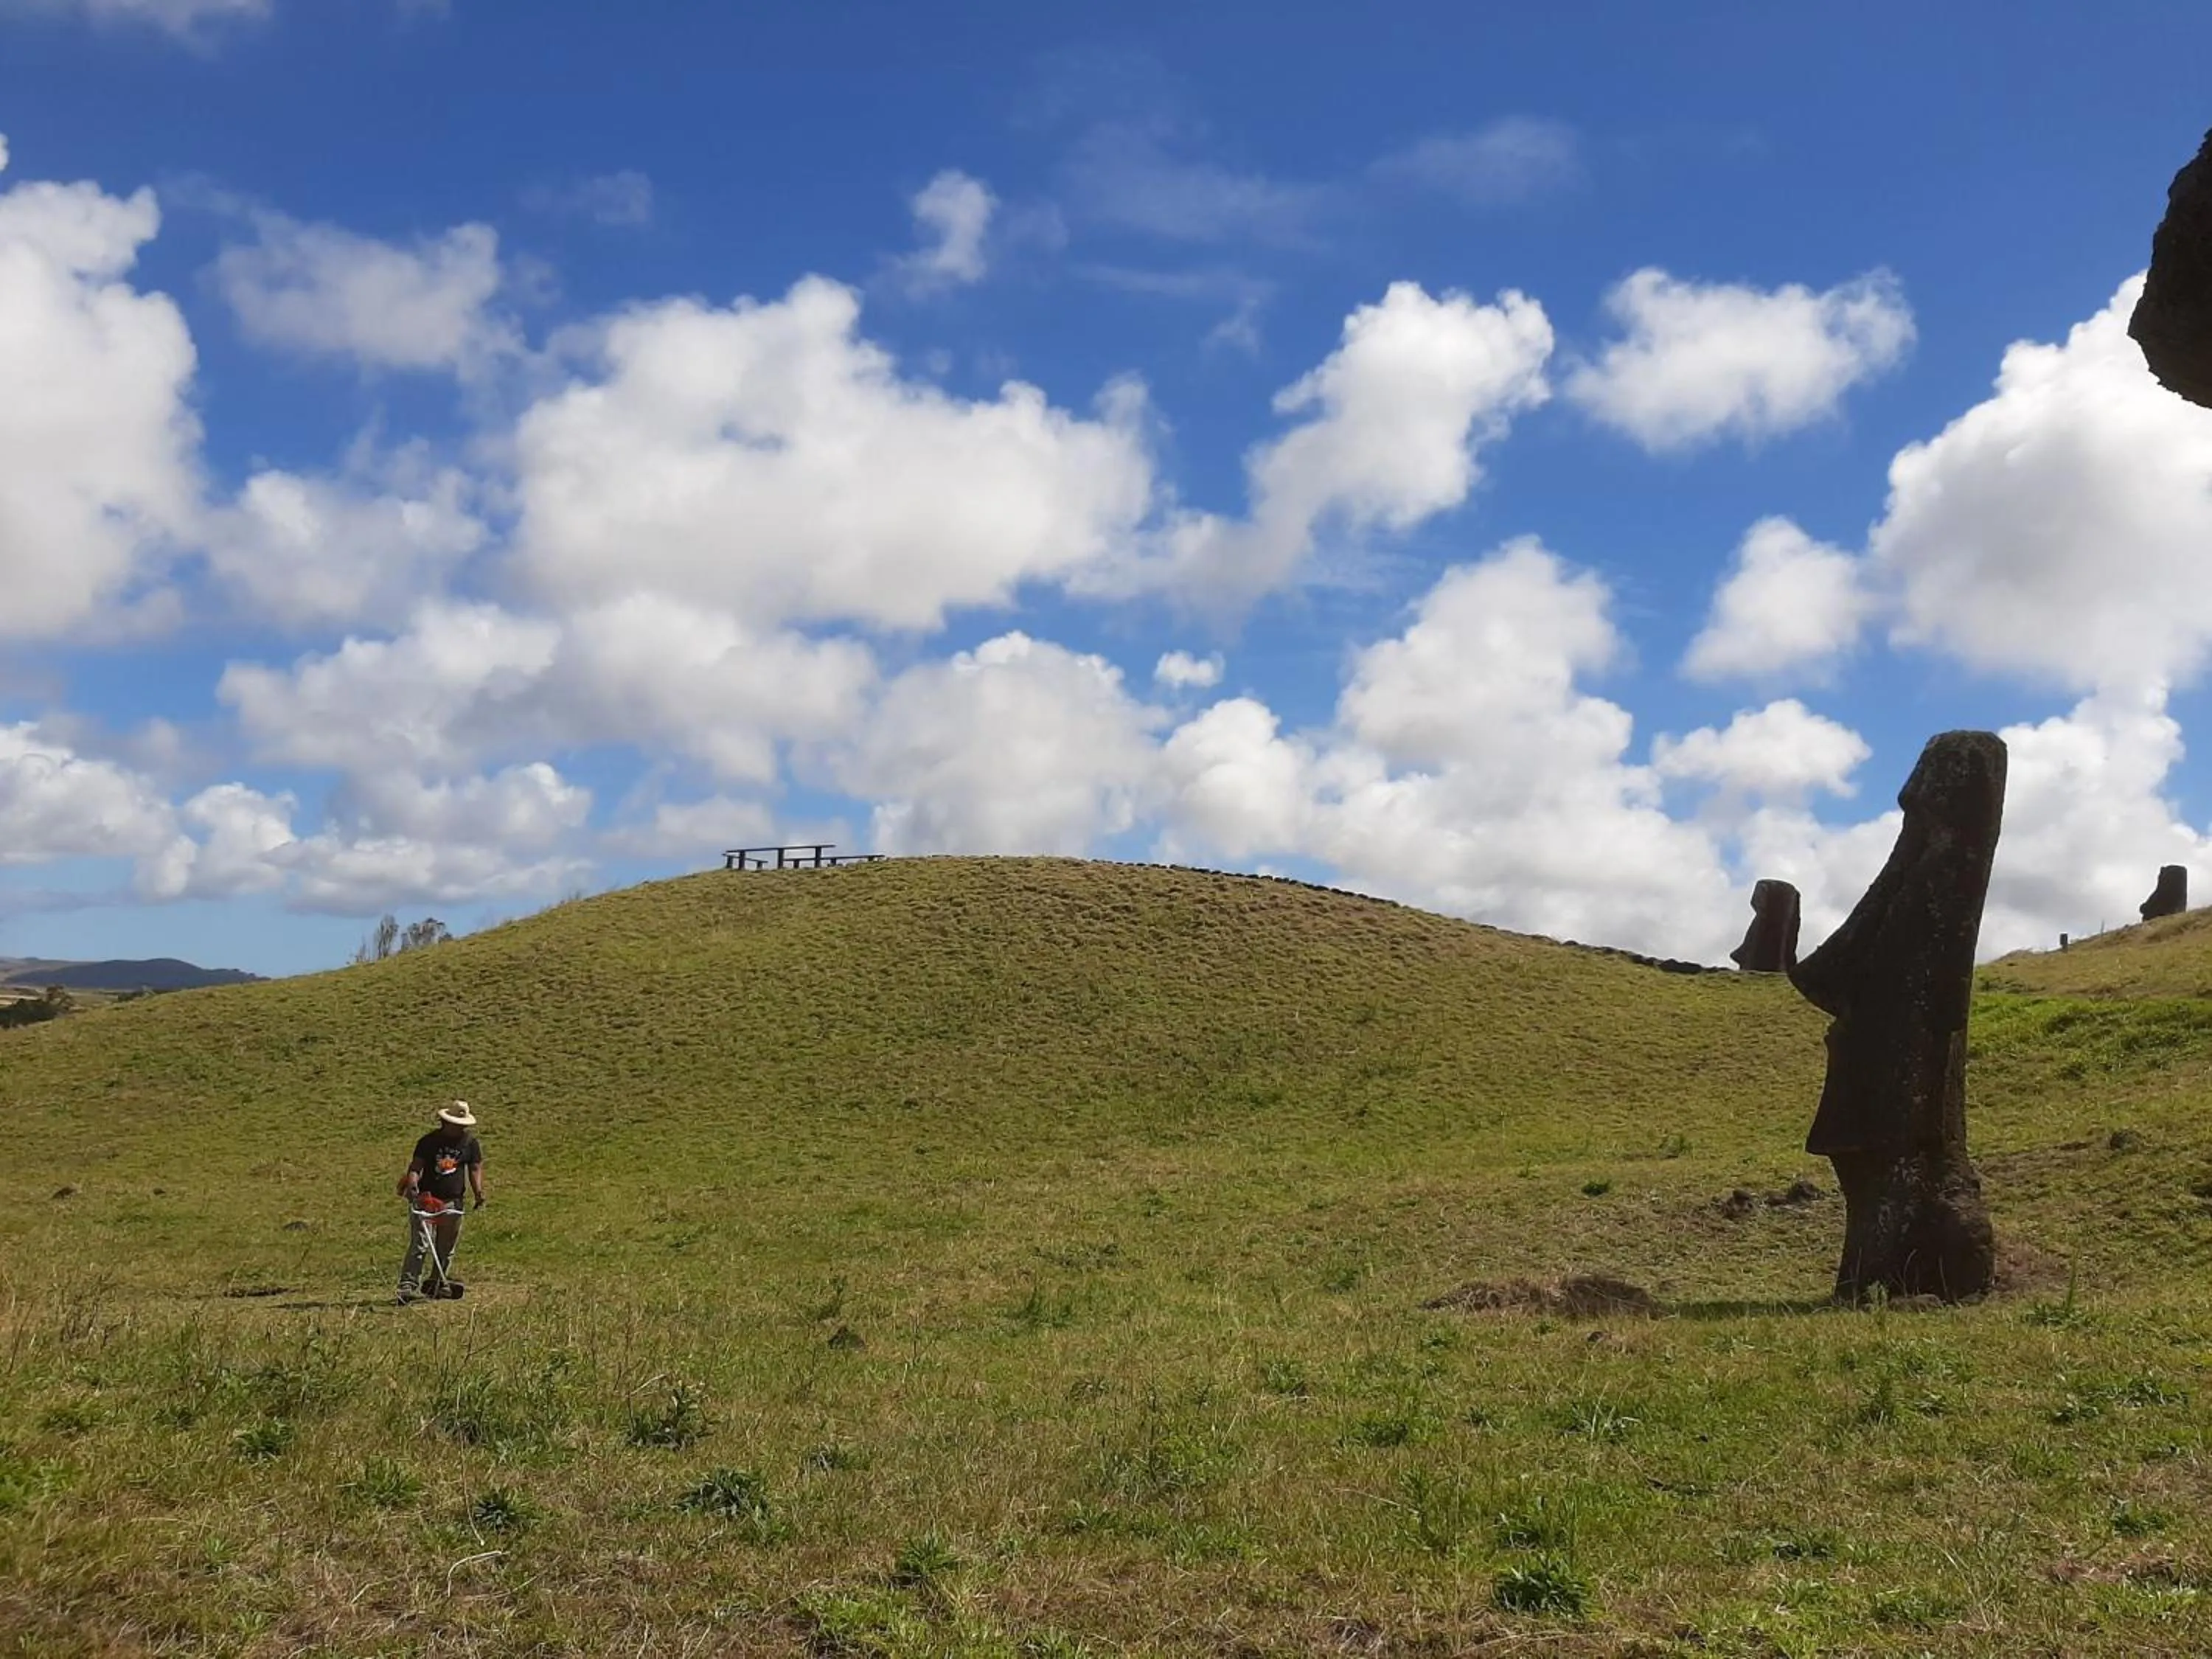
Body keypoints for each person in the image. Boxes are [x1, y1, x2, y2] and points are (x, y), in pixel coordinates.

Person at [397, 1100, 486, 1304]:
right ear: (446, 1122)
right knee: (420, 1244)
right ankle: (407, 1285)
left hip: (453, 1202)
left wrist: (479, 1192)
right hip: (427, 1200)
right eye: (456, 1123)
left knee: (446, 1246)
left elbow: (475, 1168)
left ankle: (437, 1282)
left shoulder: (470, 1144)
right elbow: (416, 1167)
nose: (460, 1128)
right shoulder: (428, 1142)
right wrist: (412, 1185)